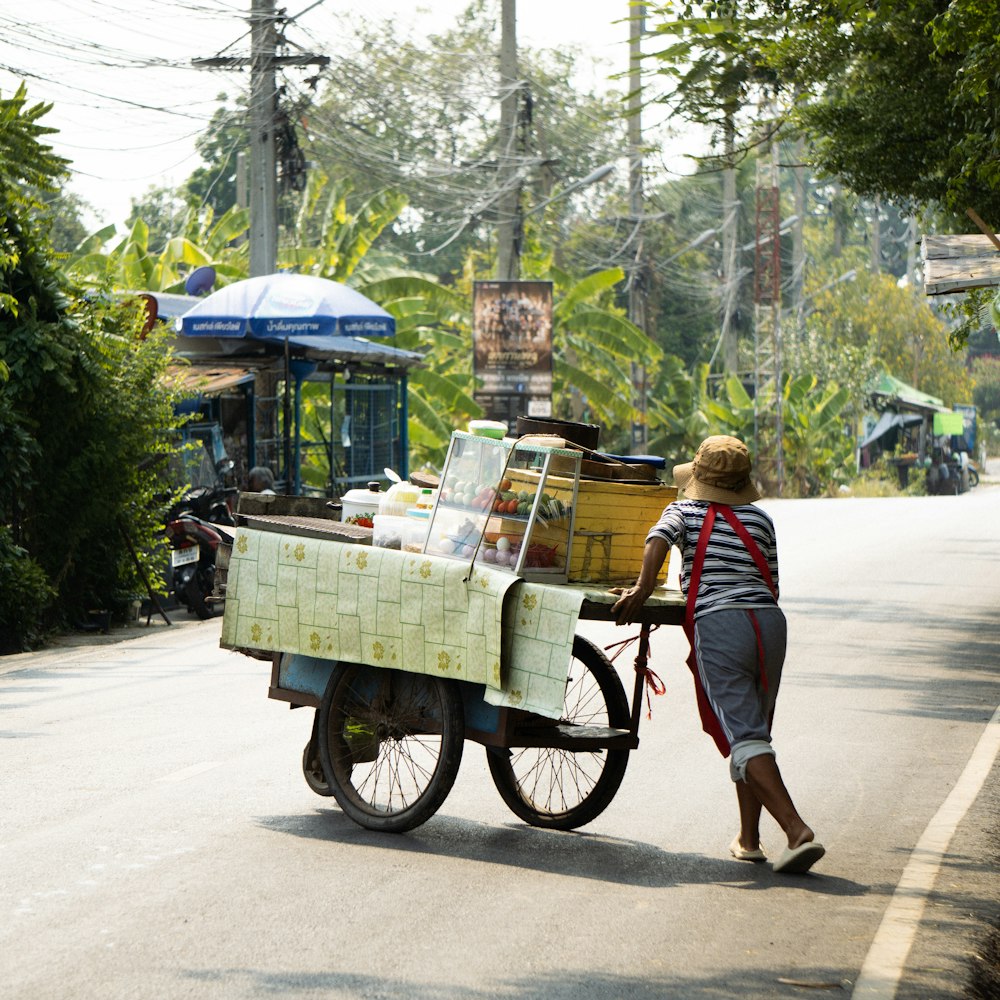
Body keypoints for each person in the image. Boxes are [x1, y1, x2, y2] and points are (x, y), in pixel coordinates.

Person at [611, 435, 825, 874]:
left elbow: (657, 540)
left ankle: (796, 829)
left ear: (699, 478)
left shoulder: (685, 510)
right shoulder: (761, 520)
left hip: (720, 624)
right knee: (754, 732)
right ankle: (749, 839)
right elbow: (772, 581)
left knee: (745, 736)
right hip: (768, 624)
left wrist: (643, 589)